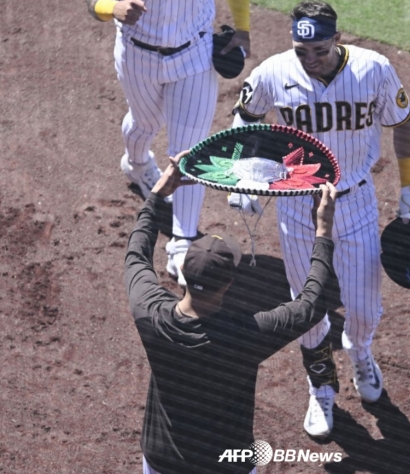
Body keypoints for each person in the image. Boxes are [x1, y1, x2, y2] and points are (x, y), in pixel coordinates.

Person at [228, 0, 410, 439]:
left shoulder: (373, 70)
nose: (311, 59)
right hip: (297, 204)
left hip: (355, 202)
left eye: (319, 49)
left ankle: (360, 353)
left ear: (337, 38)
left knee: (364, 307)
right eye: (302, 51)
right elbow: (243, 122)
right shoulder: (273, 73)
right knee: (308, 305)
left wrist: (408, 186)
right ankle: (320, 385)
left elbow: (404, 123)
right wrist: (244, 178)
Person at [83, 0, 251, 286]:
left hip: (194, 55)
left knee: (190, 149)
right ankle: (137, 164)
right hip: (138, 55)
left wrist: (243, 30)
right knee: (145, 123)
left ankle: (181, 241)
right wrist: (113, 7)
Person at [125, 150, 339, 474]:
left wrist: (157, 194)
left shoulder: (151, 313)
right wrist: (322, 232)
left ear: (182, 270)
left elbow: (136, 255)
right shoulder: (246, 334)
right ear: (228, 284)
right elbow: (310, 305)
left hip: (162, 460)